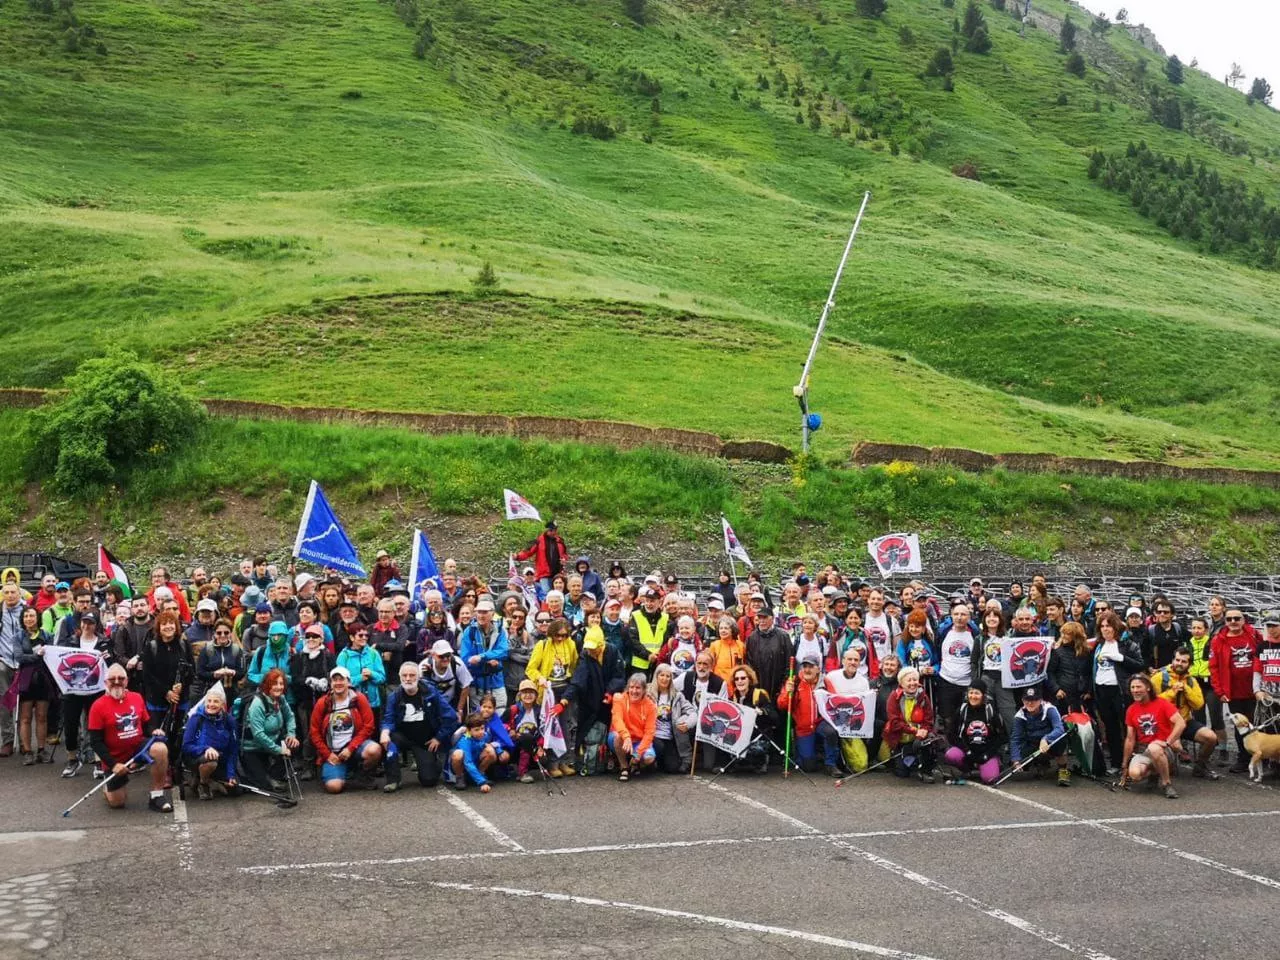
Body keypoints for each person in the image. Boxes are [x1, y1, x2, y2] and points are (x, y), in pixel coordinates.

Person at [87, 664, 172, 812]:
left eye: (121, 678)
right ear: (105, 682)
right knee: (117, 803)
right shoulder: (97, 706)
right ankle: (109, 788)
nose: (117, 681)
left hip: (137, 750)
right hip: (115, 758)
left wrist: (154, 730)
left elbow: (146, 724)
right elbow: (95, 742)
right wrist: (113, 765)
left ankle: (157, 795)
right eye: (112, 679)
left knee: (160, 749)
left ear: (126, 681)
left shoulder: (137, 697)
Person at [380, 661, 457, 792]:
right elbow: (389, 718)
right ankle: (393, 780)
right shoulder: (394, 696)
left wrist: (438, 738)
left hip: (424, 740)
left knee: (429, 780)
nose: (408, 679)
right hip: (402, 737)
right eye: (404, 675)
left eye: (412, 675)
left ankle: (434, 761)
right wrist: (384, 732)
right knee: (389, 742)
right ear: (400, 677)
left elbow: (450, 716)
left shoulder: (431, 693)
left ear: (419, 677)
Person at [309, 666, 381, 794]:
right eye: (334, 680)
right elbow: (314, 732)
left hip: (355, 747)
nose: (338, 683)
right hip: (333, 751)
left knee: (374, 750)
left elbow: (369, 726)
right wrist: (327, 754)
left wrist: (350, 748)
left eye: (341, 679)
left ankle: (362, 774)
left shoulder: (359, 699)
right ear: (331, 683)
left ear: (349, 681)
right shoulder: (322, 703)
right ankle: (340, 772)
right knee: (334, 787)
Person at [1151, 647, 1221, 780]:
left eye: (1184, 661)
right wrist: (1172, 692)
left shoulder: (1191, 681)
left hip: (1184, 721)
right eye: (1177, 660)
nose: (1179, 663)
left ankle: (1200, 767)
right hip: (1164, 723)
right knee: (1175, 750)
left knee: (1211, 737)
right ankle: (1166, 766)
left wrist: (1186, 690)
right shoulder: (1159, 677)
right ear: (1172, 660)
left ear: (1189, 664)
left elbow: (1198, 704)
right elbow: (1151, 703)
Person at [1209, 608, 1261, 774]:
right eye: (1229, 619)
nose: (1233, 622)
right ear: (1225, 622)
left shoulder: (1254, 635)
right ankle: (1244, 758)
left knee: (1257, 724)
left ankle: (1262, 756)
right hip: (1233, 692)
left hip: (1255, 690)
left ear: (1243, 620)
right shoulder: (1218, 640)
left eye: (1236, 618)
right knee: (1241, 727)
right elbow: (1214, 667)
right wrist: (1219, 691)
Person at [1092, 612, 1144, 775]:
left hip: (1120, 691)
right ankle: (1116, 762)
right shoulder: (1099, 645)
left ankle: (1131, 762)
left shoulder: (1127, 644)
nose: (1105, 629)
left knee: (1127, 727)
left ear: (1115, 627)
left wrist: (1121, 658)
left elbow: (1140, 665)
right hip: (1101, 689)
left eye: (1108, 626)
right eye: (1102, 626)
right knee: (1110, 728)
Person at [1121, 673, 1185, 799]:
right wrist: (1124, 765)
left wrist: (1168, 742)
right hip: (1144, 751)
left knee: (1154, 747)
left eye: (1138, 687)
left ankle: (1167, 784)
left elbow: (1181, 723)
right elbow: (1129, 739)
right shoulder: (1131, 709)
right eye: (1132, 688)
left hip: (1163, 748)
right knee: (1134, 774)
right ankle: (1155, 772)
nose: (1135, 690)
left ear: (1148, 688)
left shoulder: (1162, 703)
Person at [241, 668, 301, 792]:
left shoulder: (281, 698)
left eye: (281, 683)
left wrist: (291, 734)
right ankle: (258, 775)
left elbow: (290, 717)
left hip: (271, 741)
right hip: (252, 748)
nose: (278, 687)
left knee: (293, 745)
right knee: (263, 786)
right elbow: (258, 734)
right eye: (274, 684)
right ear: (267, 685)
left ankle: (274, 775)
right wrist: (279, 750)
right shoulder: (257, 704)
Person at [181, 686, 239, 801]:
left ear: (222, 704)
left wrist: (231, 774)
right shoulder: (196, 718)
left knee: (235, 790)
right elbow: (186, 746)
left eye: (216, 701)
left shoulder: (229, 721)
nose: (211, 704)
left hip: (221, 759)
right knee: (211, 761)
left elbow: (233, 750)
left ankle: (209, 779)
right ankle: (203, 783)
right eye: (209, 701)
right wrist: (206, 749)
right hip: (197, 758)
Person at [13, 604, 54, 765]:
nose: (29, 619)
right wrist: (36, 655)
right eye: (26, 616)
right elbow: (19, 657)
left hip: (43, 678)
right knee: (25, 717)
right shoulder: (18, 637)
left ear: (37, 617)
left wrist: (39, 656)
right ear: (22, 620)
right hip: (26, 678)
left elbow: (50, 654)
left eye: (31, 615)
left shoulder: (47, 635)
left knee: (42, 717)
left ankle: (42, 750)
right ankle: (28, 751)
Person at [943, 680, 1003, 785]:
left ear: (983, 695)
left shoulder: (991, 711)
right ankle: (967, 769)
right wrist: (967, 750)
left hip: (986, 752)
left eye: (977, 693)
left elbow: (1002, 736)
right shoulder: (962, 710)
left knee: (990, 779)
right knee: (951, 755)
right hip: (967, 751)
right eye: (970, 693)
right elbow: (951, 734)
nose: (973, 696)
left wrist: (988, 754)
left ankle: (993, 764)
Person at [823, 646, 871, 774]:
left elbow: (865, 705)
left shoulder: (863, 681)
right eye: (849, 659)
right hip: (833, 719)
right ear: (843, 661)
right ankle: (831, 763)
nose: (853, 662)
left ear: (860, 662)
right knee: (830, 732)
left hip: (853, 721)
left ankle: (869, 757)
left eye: (856, 660)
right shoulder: (831, 677)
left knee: (861, 765)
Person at [884, 667, 936, 782]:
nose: (913, 683)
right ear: (901, 683)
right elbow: (894, 722)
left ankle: (926, 770)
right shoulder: (894, 697)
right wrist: (914, 730)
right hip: (900, 738)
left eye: (915, 680)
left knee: (926, 742)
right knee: (902, 773)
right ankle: (905, 758)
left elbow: (929, 720)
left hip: (918, 737)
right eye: (909, 680)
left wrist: (922, 732)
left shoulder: (923, 697)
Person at [457, 598, 509, 710]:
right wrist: (487, 660)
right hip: (477, 682)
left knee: (500, 712)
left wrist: (482, 657)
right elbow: (466, 659)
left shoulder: (500, 630)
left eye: (485, 612)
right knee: (478, 716)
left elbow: (504, 651)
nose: (481, 615)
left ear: (493, 613)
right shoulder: (469, 631)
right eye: (479, 612)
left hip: (496, 680)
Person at [648, 663, 695, 774]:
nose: (664, 679)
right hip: (652, 736)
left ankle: (659, 762)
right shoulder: (647, 693)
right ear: (656, 676)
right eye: (662, 675)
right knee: (658, 746)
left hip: (668, 737)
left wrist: (687, 724)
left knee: (673, 768)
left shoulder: (677, 696)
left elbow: (692, 712)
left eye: (668, 676)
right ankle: (650, 760)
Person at [610, 673, 657, 781]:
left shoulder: (650, 706)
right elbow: (617, 720)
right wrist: (626, 736)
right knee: (618, 737)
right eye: (631, 687)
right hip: (622, 738)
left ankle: (636, 764)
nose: (634, 691)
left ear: (644, 690)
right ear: (628, 688)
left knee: (649, 758)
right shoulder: (619, 699)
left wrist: (638, 754)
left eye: (638, 688)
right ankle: (624, 767)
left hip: (639, 740)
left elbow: (650, 732)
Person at [745, 608, 791, 714]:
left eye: (765, 617)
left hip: (778, 686)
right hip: (759, 686)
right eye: (759, 617)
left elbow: (789, 662)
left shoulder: (783, 636)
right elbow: (749, 663)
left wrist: (784, 684)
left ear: (772, 619)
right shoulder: (752, 638)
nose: (762, 620)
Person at [335, 621, 386, 712]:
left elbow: (382, 678)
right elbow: (340, 682)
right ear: (351, 637)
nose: (364, 638)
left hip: (373, 704)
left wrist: (372, 674)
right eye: (360, 635)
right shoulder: (343, 656)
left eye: (366, 635)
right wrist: (360, 678)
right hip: (351, 703)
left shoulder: (373, 653)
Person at [193, 619, 245, 703]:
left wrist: (232, 673)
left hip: (232, 692)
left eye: (226, 632)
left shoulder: (236, 650)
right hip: (211, 693)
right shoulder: (207, 649)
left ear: (231, 634)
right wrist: (214, 674)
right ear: (214, 634)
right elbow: (200, 672)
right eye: (219, 633)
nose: (223, 635)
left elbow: (242, 672)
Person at [623, 586, 670, 677]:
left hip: (658, 662)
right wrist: (648, 655)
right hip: (639, 664)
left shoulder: (665, 618)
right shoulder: (635, 615)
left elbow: (666, 640)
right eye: (647, 601)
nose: (649, 604)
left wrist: (659, 655)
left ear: (659, 602)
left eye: (652, 601)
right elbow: (633, 640)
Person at [505, 679, 547, 782]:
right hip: (514, 744)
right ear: (520, 695)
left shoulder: (540, 711)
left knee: (544, 759)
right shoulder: (513, 709)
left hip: (533, 744)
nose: (528, 695)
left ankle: (530, 767)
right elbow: (501, 724)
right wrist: (509, 729)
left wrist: (541, 746)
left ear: (536, 695)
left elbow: (545, 730)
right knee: (526, 738)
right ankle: (522, 773)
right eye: (525, 692)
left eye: (531, 692)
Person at [1048, 622, 1094, 714]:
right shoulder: (1057, 652)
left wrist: (1089, 691)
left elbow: (1090, 673)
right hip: (1064, 696)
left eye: (1067, 634)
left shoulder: (1087, 652)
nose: (1063, 636)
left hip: (1082, 696)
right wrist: (1056, 689)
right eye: (1062, 633)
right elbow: (1050, 672)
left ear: (1076, 636)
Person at [515, 520, 568, 593]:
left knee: (558, 594)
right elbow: (528, 551)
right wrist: (517, 556)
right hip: (544, 575)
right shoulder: (539, 541)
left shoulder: (560, 541)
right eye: (552, 530)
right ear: (547, 530)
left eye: (555, 530)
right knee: (545, 595)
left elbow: (565, 554)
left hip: (558, 574)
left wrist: (564, 559)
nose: (554, 532)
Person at [450, 713, 499, 792]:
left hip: (475, 763)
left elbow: (488, 745)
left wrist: (498, 750)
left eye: (482, 728)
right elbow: (468, 762)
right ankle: (460, 777)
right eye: (476, 730)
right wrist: (482, 783)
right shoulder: (464, 741)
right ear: (468, 730)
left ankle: (480, 774)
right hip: (464, 765)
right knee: (458, 754)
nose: (481, 732)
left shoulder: (484, 735)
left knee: (490, 750)